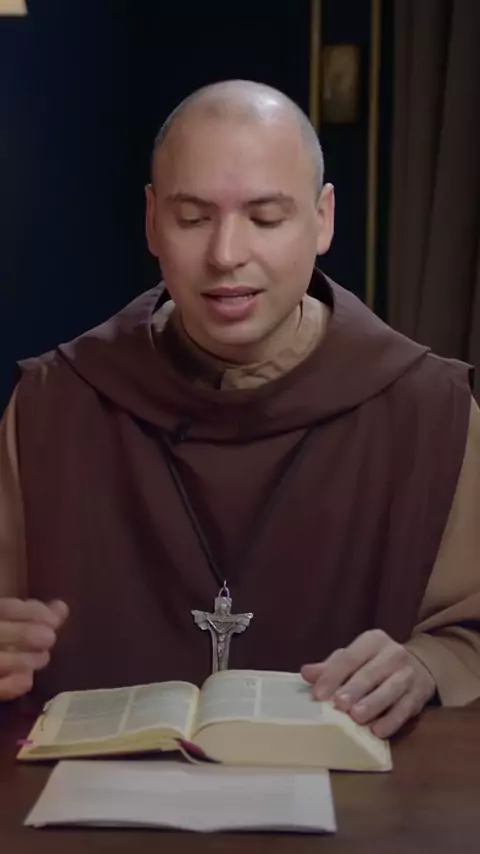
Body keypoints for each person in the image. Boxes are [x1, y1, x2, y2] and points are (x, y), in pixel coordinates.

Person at [1, 80, 479, 740]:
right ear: (152, 221)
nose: (226, 255)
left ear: (323, 219)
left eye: (266, 218)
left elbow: (467, 631)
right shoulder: (54, 406)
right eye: (193, 218)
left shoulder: (429, 411)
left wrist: (428, 664)